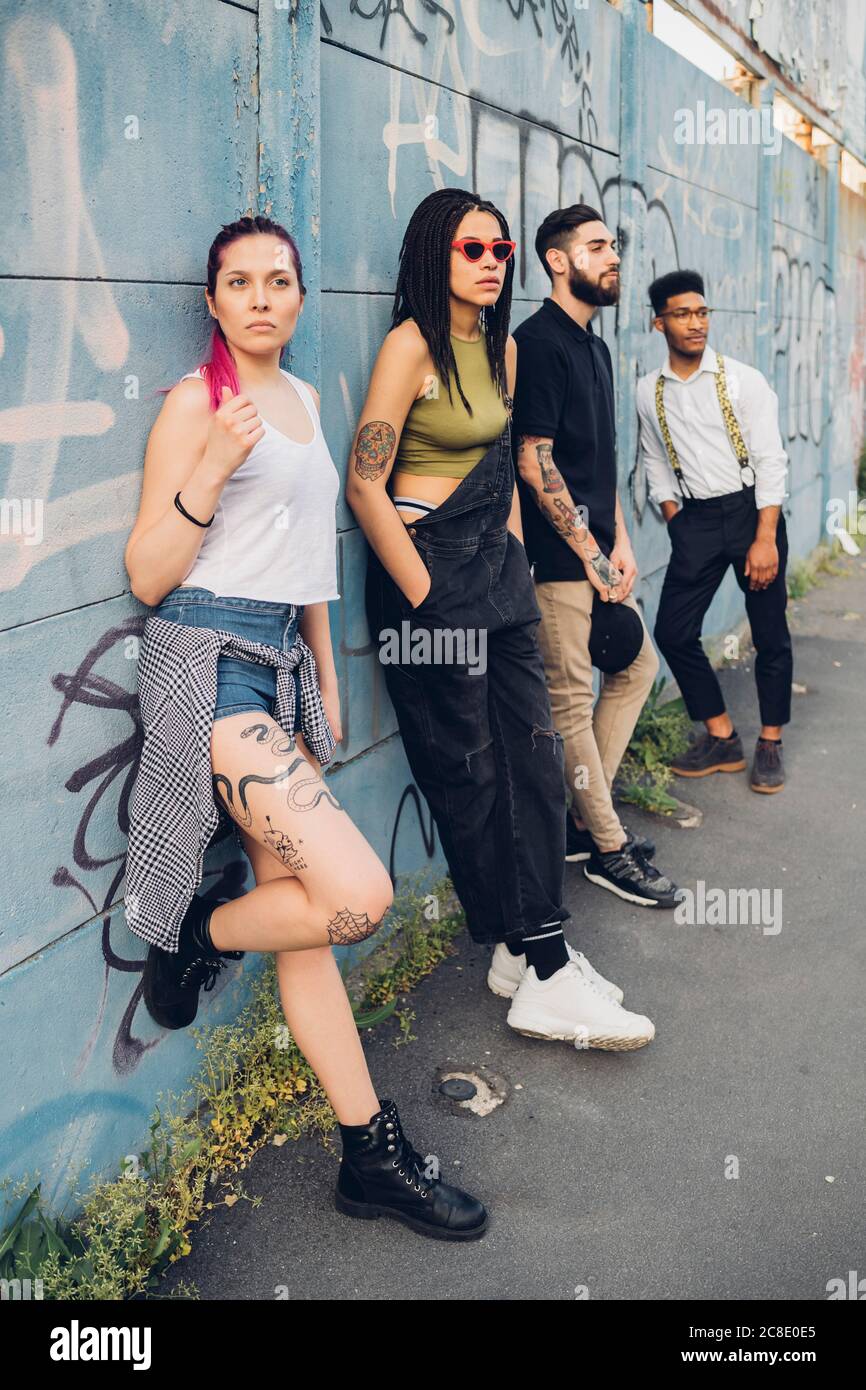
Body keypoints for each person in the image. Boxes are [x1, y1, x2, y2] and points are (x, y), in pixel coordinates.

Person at [123, 214, 488, 1240]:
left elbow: (305, 556)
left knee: (307, 925)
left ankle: (368, 1150)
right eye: (237, 282)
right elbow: (148, 574)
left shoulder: (303, 396)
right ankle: (196, 928)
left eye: (278, 280)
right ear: (211, 301)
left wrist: (323, 677)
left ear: (297, 293)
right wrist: (207, 470)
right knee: (358, 896)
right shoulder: (200, 402)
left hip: (279, 665)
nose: (260, 298)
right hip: (206, 666)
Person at [348, 187, 656, 1050]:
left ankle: (533, 956)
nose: (490, 264)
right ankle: (541, 964)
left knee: (536, 762)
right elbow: (365, 483)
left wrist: (516, 563)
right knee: (476, 778)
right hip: (432, 585)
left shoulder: (502, 353)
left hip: (500, 575)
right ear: (433, 258)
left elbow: (503, 472)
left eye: (500, 250)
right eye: (471, 250)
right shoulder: (411, 348)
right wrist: (420, 592)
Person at [512, 204, 681, 908]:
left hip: (598, 552)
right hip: (557, 565)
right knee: (571, 704)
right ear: (558, 260)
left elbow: (598, 459)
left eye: (614, 244)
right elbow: (534, 459)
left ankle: (587, 817)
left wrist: (622, 541)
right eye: (596, 246)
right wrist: (587, 552)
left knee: (637, 666)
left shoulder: (595, 344)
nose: (612, 255)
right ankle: (608, 849)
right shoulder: (539, 342)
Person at [637, 269, 791, 794]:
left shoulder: (743, 380)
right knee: (673, 632)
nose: (697, 323)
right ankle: (722, 735)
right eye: (682, 314)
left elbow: (772, 461)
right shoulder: (648, 392)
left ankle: (769, 740)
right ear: (659, 324)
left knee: (769, 630)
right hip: (696, 521)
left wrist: (765, 536)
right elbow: (654, 460)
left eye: (702, 312)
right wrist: (676, 520)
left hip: (752, 513)